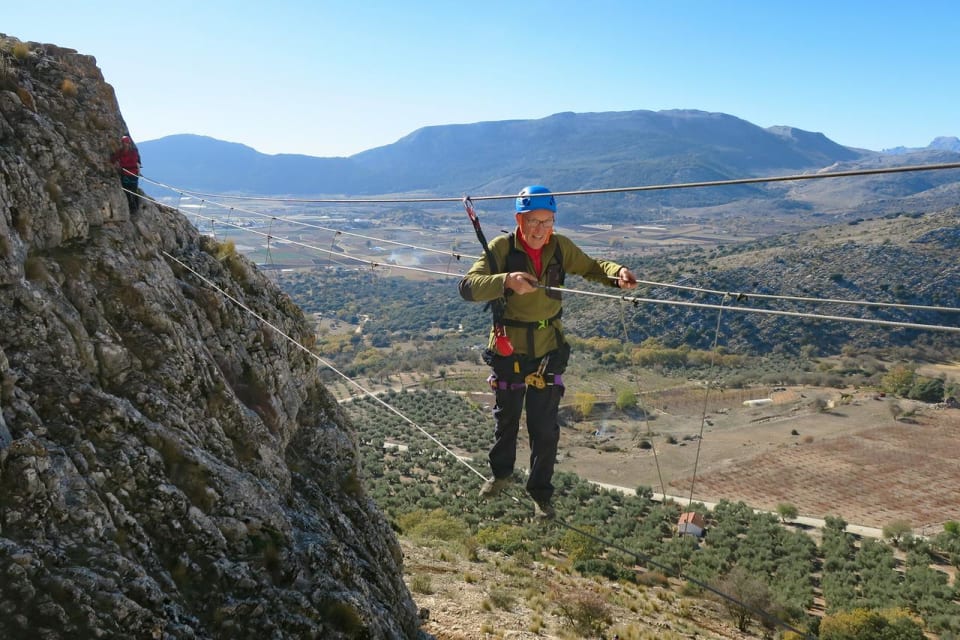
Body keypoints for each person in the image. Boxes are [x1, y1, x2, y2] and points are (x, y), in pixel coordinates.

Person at [459, 185, 638, 519]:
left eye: (547, 221)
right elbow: (467, 287)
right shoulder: (502, 249)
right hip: (508, 349)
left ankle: (541, 495)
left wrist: (617, 274)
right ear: (519, 219)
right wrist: (506, 280)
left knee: (544, 428)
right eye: (533, 221)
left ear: (554, 221)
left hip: (547, 350)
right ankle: (501, 475)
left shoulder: (560, 247)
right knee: (506, 419)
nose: (540, 230)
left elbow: (591, 266)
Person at [110, 134, 141, 211]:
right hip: (130, 174)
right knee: (130, 191)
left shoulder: (130, 152)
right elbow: (113, 159)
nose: (125, 145)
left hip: (129, 173)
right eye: (124, 143)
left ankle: (134, 207)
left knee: (131, 191)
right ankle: (133, 207)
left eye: (126, 143)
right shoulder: (131, 152)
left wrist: (119, 164)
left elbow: (114, 159)